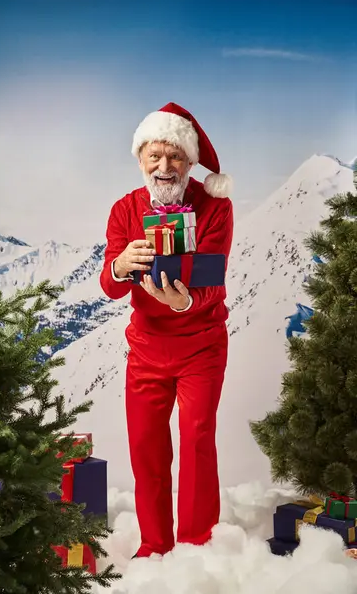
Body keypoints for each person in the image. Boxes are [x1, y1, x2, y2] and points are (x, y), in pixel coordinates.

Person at [100, 102, 234, 558]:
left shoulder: (216, 206)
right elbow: (110, 286)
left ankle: (196, 545)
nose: (164, 166)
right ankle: (155, 544)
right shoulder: (124, 210)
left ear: (190, 161)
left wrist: (186, 301)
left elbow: (214, 281)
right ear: (140, 159)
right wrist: (120, 265)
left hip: (202, 345)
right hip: (146, 349)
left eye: (175, 155)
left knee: (197, 443)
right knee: (146, 447)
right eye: (154, 156)